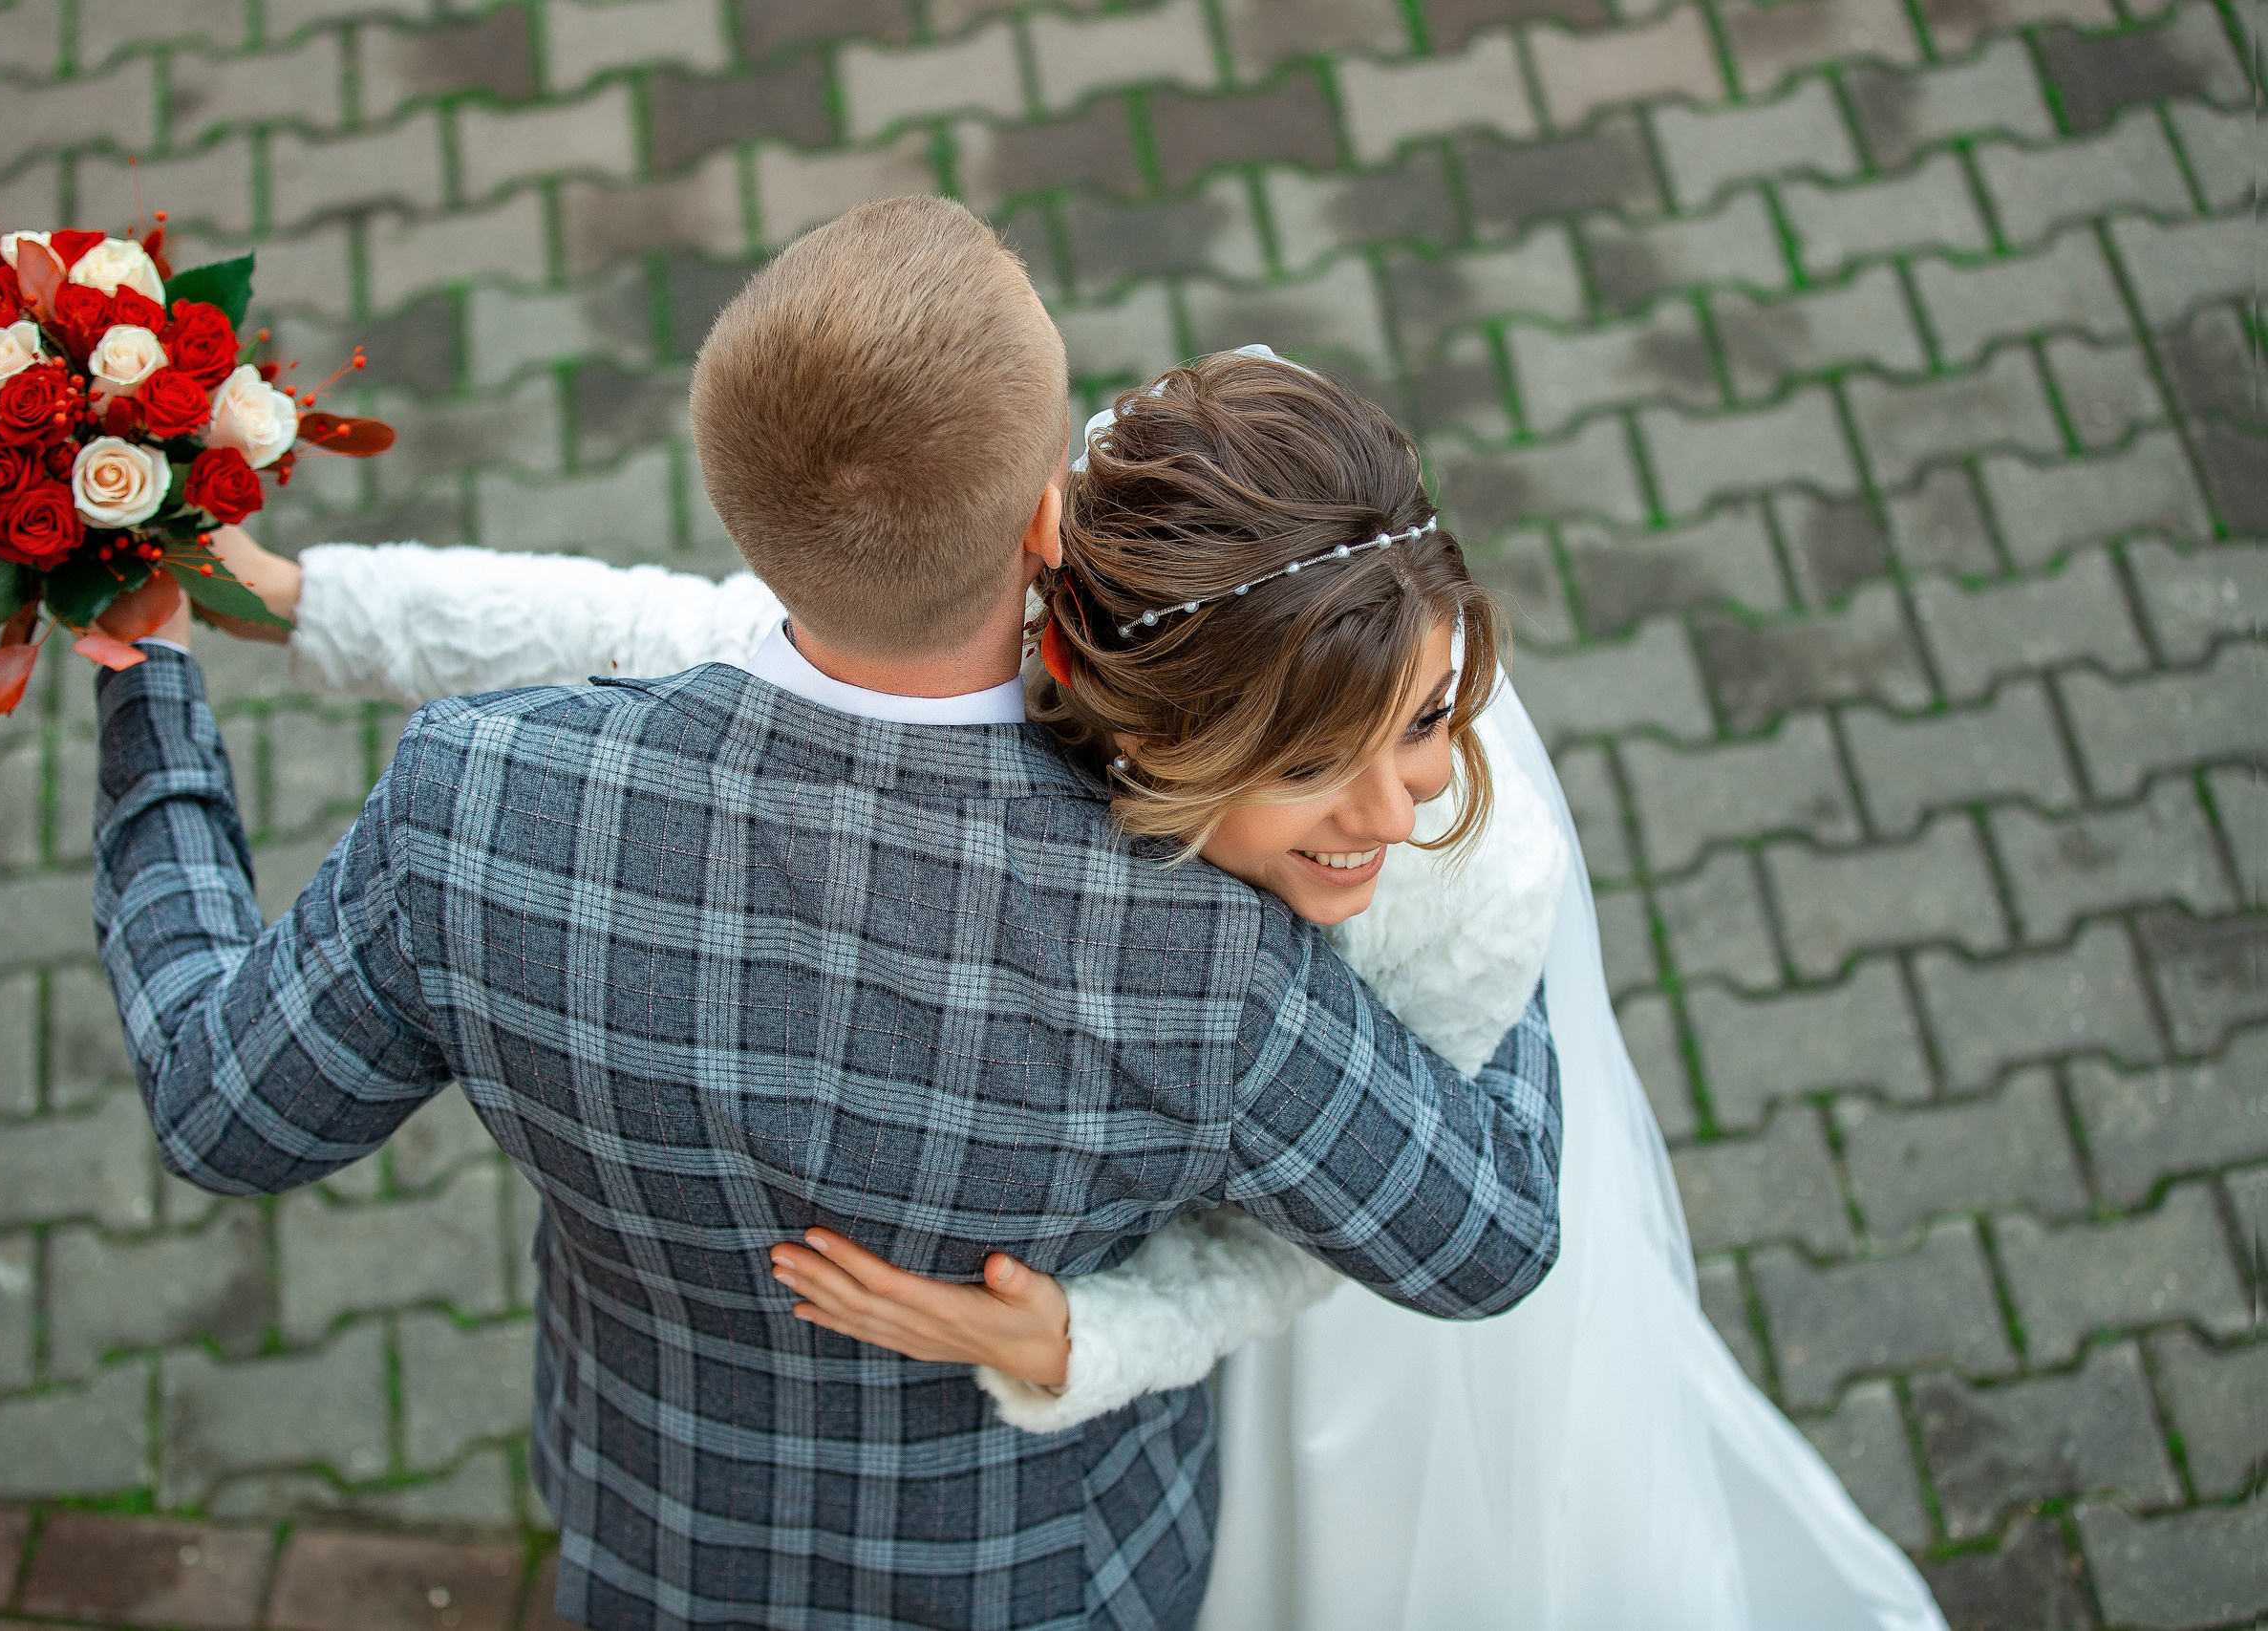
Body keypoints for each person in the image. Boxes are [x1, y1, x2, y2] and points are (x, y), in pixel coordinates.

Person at [203, 337, 1952, 1629]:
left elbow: (1421, 1235)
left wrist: (1098, 1336)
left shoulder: (1463, 885)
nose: (1402, 804)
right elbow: (631, 624)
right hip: (1148, 1372)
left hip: (1313, 1289)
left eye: (1430, 719)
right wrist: (301, 602)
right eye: (1315, 767)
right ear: (1143, 727)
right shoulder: (1091, 752)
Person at [99, 197, 1563, 1631]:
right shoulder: (1211, 958)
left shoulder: (473, 806)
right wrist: (1496, 892)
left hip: (661, 1535)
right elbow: (1486, 1240)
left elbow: (228, 1113)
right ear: (1052, 515)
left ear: (738, 501)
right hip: (1054, 1577)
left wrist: (150, 694)